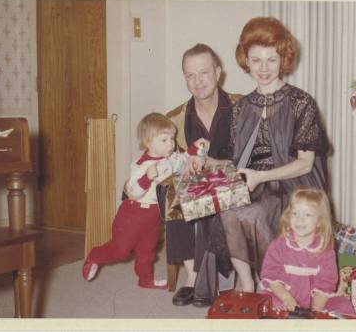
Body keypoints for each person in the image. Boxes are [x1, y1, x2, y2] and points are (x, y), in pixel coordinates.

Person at [217, 17, 330, 293]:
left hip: (293, 184)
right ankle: (247, 283)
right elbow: (234, 162)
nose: (264, 68)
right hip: (253, 181)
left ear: (284, 59)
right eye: (256, 60)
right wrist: (204, 161)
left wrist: (261, 176)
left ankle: (274, 283)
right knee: (227, 211)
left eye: (271, 59)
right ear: (246, 60)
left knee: (256, 213)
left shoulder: (301, 102)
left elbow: (305, 164)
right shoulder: (240, 108)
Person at [82, 113, 208, 289]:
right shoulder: (140, 164)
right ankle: (95, 256)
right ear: (148, 142)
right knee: (121, 250)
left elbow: (183, 159)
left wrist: (195, 148)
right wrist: (146, 178)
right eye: (164, 140)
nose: (171, 144)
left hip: (154, 216)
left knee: (147, 250)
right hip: (133, 215)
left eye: (172, 139)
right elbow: (132, 191)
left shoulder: (170, 158)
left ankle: (145, 279)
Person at [164, 43, 243, 307]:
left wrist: (214, 163)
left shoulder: (240, 107)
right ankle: (193, 276)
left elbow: (251, 158)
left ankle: (221, 276)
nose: (198, 82)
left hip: (233, 181)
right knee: (168, 189)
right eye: (190, 75)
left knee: (214, 196)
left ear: (218, 72)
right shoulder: (175, 118)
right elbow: (167, 161)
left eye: (204, 73)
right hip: (194, 188)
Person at [258, 188, 355, 315]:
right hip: (284, 297)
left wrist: (315, 311)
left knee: (344, 306)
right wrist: (287, 299)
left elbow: (326, 283)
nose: (300, 219)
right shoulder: (278, 245)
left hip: (314, 302)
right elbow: (272, 277)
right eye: (295, 213)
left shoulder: (325, 249)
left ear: (319, 221)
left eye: (307, 215)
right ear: (289, 215)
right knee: (267, 302)